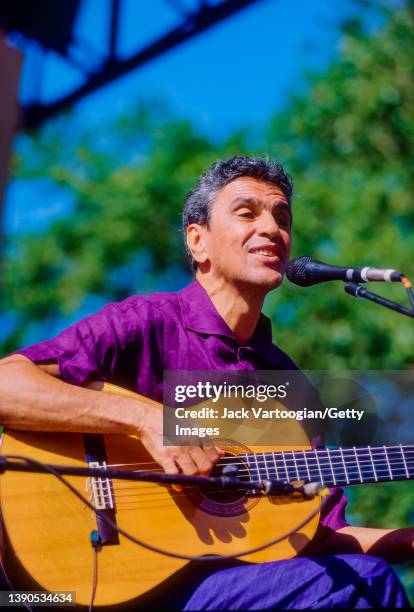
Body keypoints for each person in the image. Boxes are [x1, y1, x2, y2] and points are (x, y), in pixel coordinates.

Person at [0, 156, 411, 609]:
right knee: (364, 583)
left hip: (230, 589)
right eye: (247, 212)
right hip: (97, 579)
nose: (273, 228)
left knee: (360, 581)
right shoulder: (147, 322)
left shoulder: (288, 385)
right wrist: (148, 421)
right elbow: (7, 384)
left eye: (282, 216)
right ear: (198, 241)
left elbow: (318, 538)